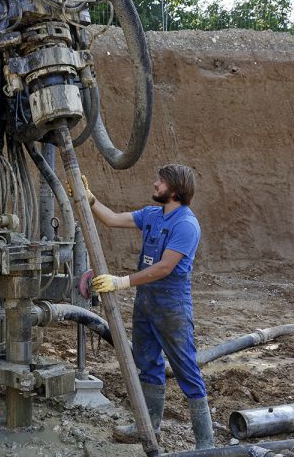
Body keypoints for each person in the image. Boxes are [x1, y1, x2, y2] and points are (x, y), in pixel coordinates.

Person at [71, 164, 214, 450]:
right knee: (147, 364)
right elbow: (111, 219)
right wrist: (90, 199)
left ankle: (206, 444)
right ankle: (149, 426)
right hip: (146, 303)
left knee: (186, 370)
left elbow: (164, 268)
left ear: (174, 191)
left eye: (159, 181)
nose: (154, 183)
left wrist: (121, 281)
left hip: (172, 306)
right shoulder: (152, 215)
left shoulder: (186, 224)